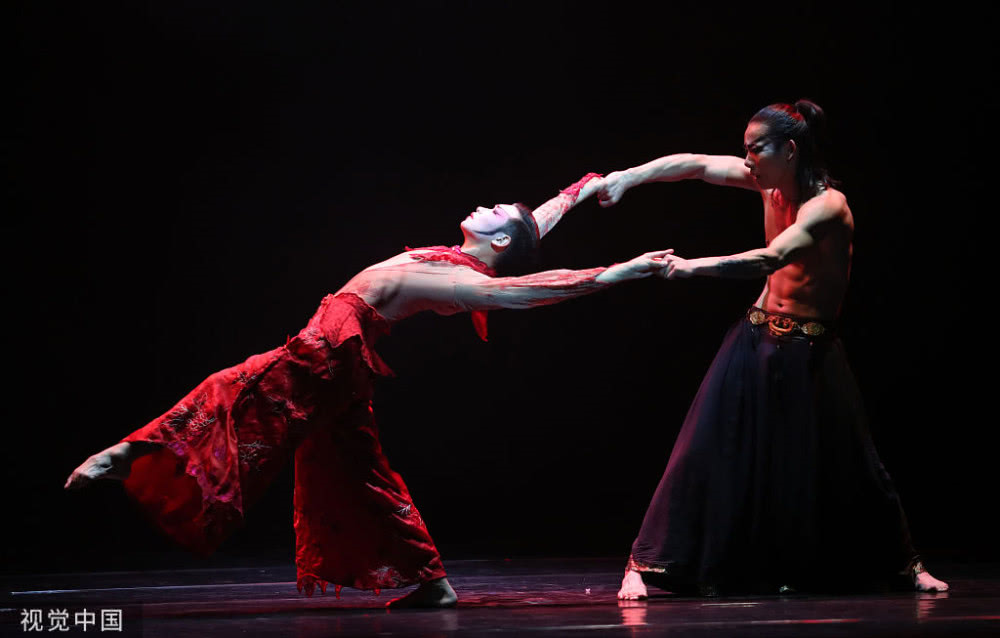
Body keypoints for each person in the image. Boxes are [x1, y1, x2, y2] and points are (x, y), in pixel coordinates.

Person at [65, 172, 672, 608]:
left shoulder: (463, 284)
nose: (486, 205)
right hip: (344, 360)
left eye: (496, 212)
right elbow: (533, 225)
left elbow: (532, 288)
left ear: (500, 243)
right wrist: (584, 189)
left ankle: (127, 455)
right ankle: (433, 584)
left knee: (230, 387)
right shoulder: (470, 257)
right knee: (361, 471)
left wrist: (620, 272)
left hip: (328, 354)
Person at [597, 100, 949, 598]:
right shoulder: (766, 183)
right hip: (754, 336)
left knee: (851, 459)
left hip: (812, 347)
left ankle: (905, 567)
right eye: (745, 150)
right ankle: (644, 564)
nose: (747, 160)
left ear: (790, 150)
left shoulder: (828, 205)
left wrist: (692, 267)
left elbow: (773, 256)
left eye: (756, 149)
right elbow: (696, 165)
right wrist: (627, 178)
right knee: (699, 449)